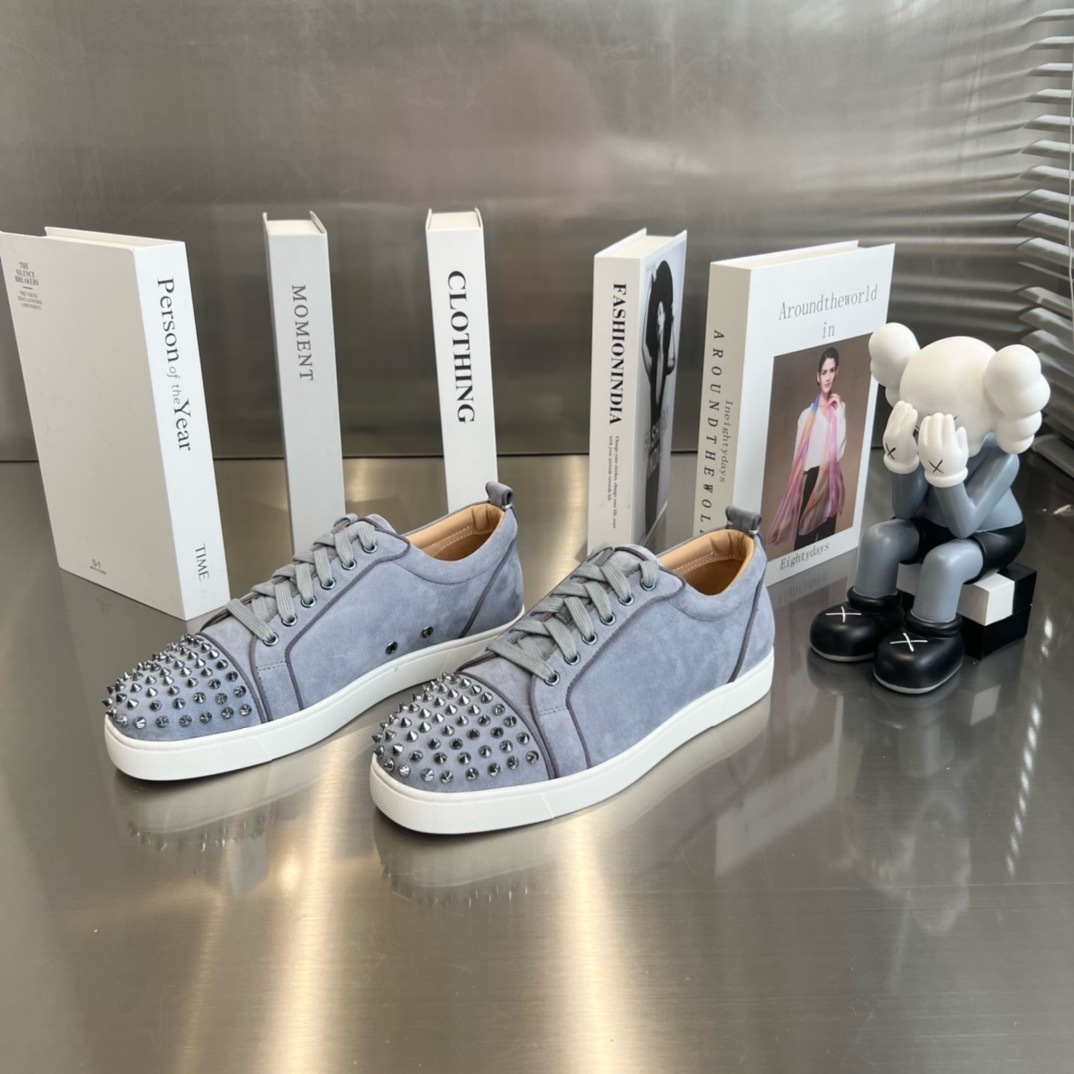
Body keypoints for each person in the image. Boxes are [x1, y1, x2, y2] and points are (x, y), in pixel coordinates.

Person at [767, 346, 846, 549]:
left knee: (826, 540)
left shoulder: (839, 409)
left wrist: (838, 413)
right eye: (824, 372)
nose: (827, 377)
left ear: (836, 372)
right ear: (818, 376)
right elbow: (798, 462)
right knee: (804, 541)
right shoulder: (806, 416)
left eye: (831, 371)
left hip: (832, 482)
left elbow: (838, 452)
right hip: (813, 480)